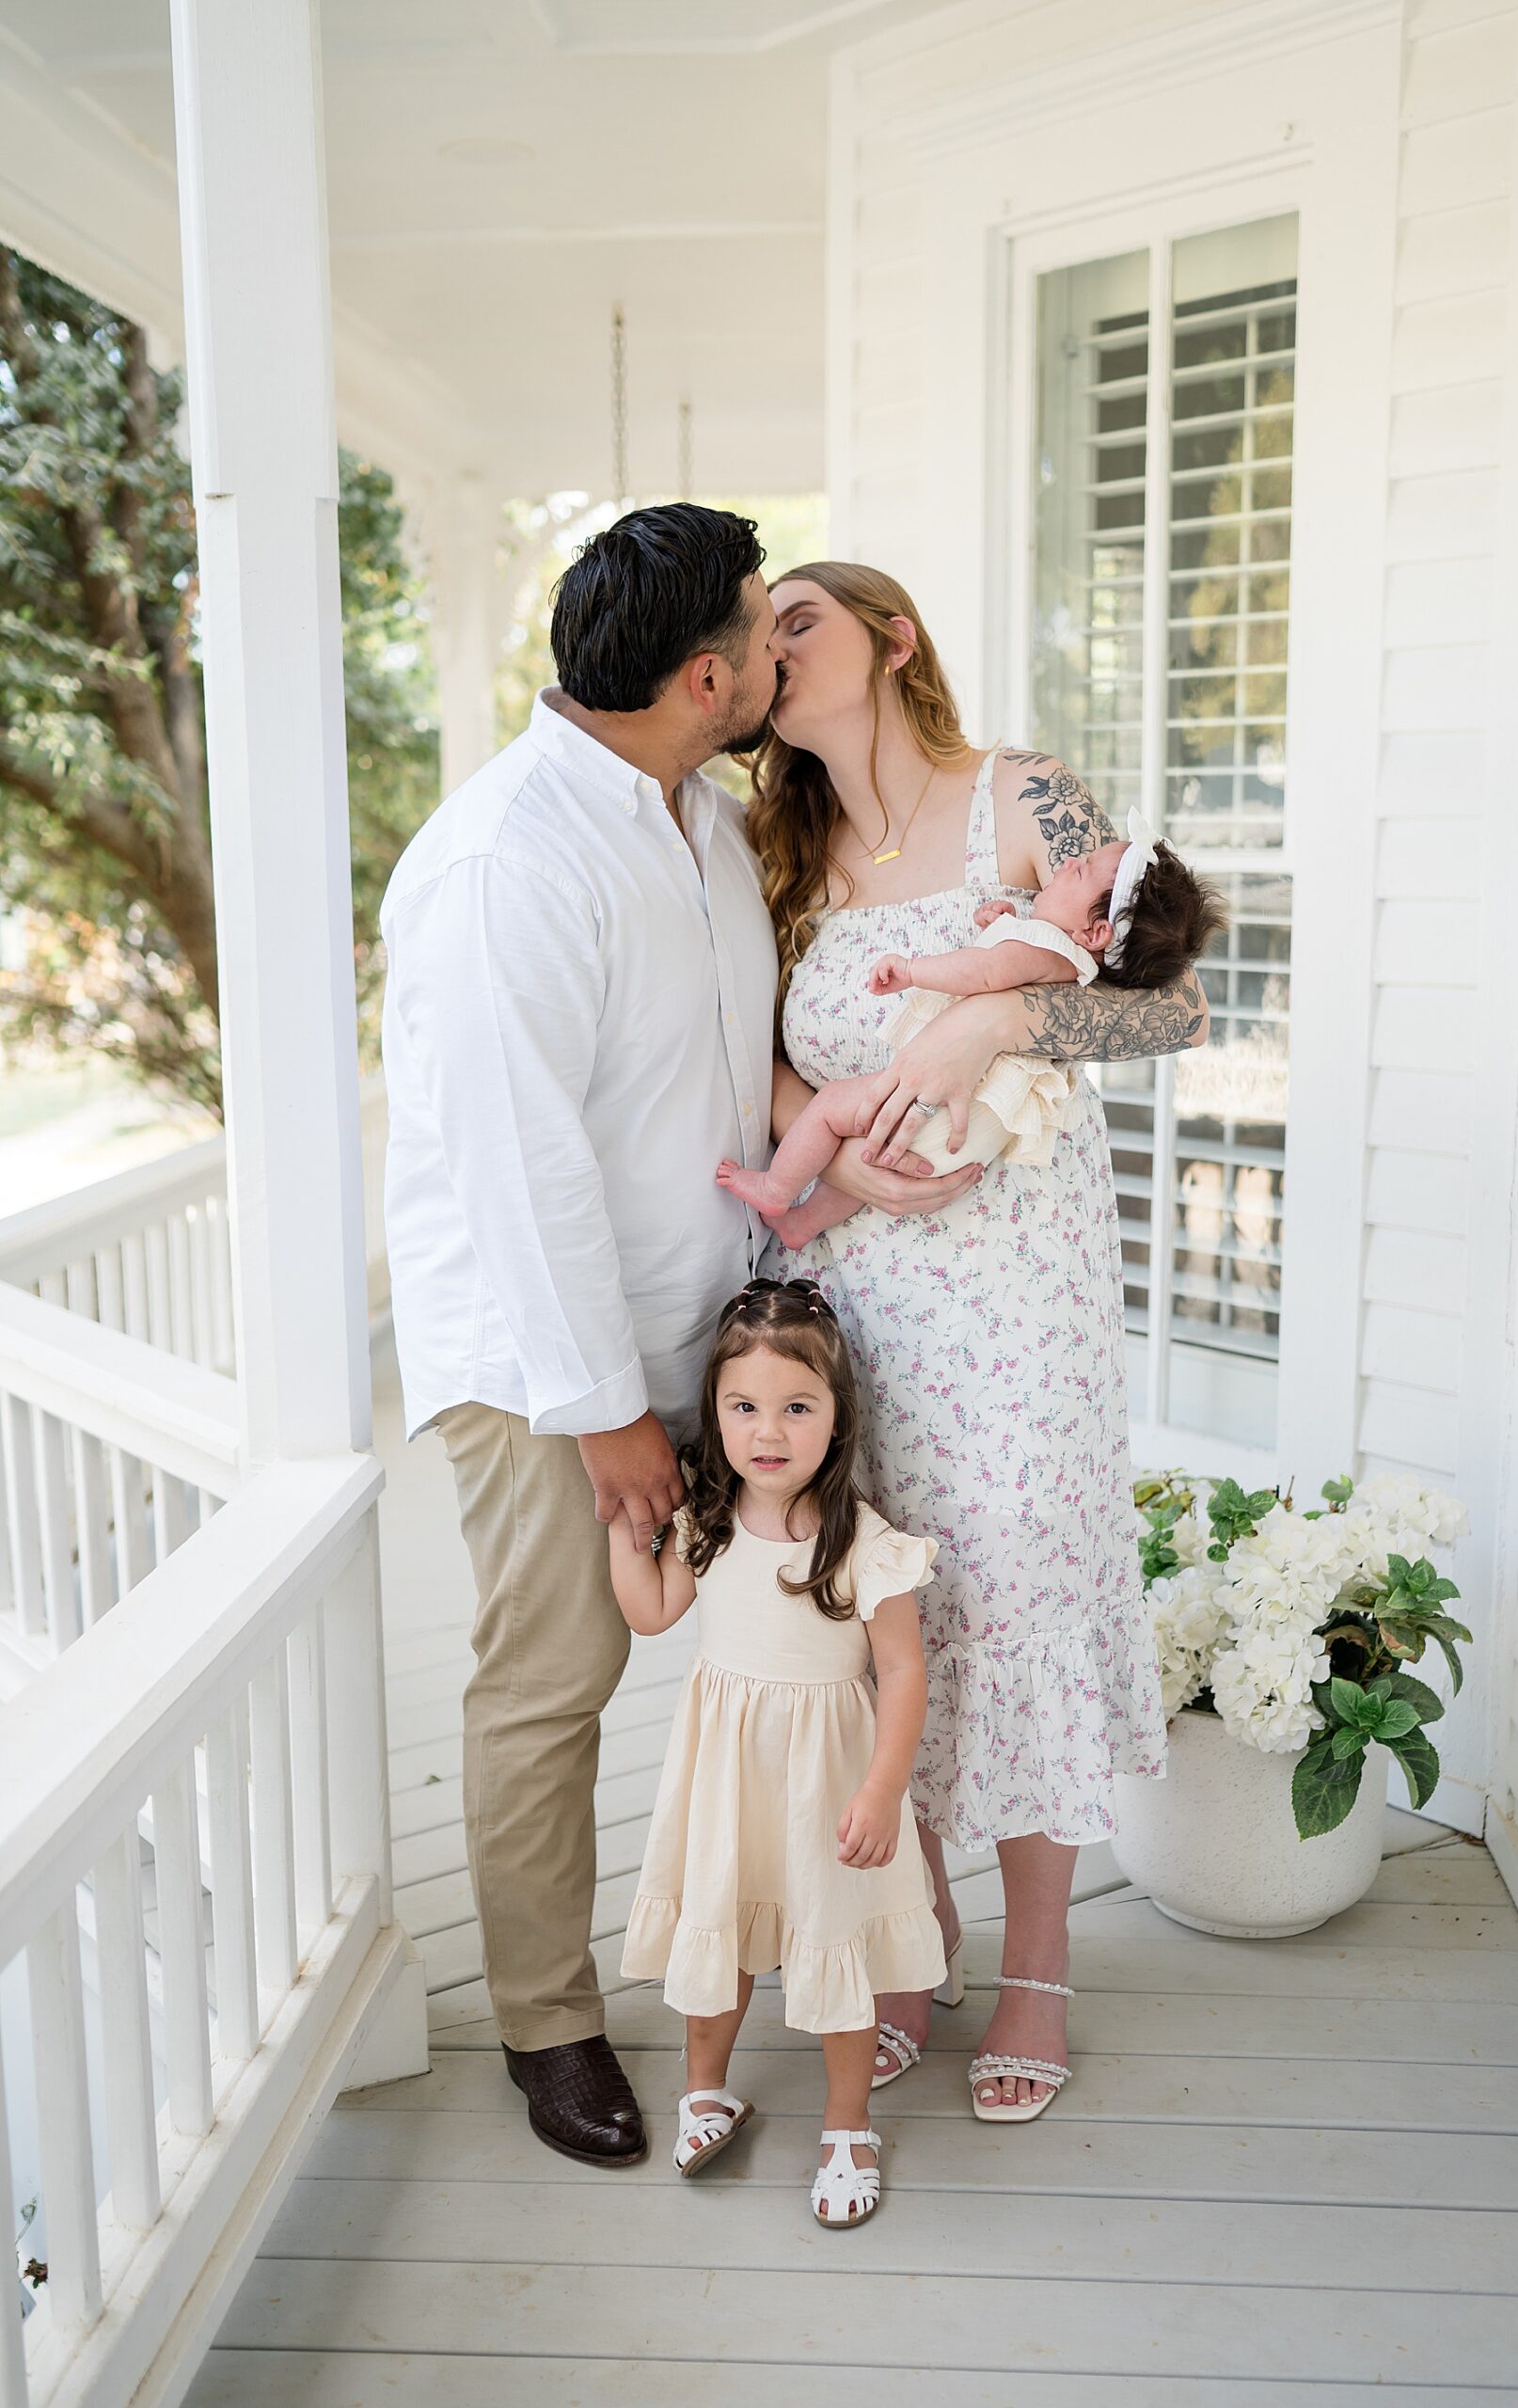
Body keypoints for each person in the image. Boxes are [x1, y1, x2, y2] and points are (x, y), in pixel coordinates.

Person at [380, 504, 866, 2168]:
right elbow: (518, 1176)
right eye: (761, 632)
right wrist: (606, 1422)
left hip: (704, 1319)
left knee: (772, 1644)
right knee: (555, 1679)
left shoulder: (697, 815)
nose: (776, 655)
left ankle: (791, 1942)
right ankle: (548, 2022)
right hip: (541, 1367)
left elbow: (722, 1058)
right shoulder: (506, 859)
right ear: (704, 675)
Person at [747, 561, 1212, 2124]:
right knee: (886, 1591)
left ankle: (1033, 1964)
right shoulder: (771, 853)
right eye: (752, 629)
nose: (767, 643)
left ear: (888, 639)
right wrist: (835, 1153)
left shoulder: (1027, 795)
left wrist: (997, 1020)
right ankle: (906, 1930)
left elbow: (1169, 1011)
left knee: (1008, 1575)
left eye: (793, 615)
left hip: (1022, 1279)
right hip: (853, 1286)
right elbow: (741, 1066)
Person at [612, 1277, 945, 2226]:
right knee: (718, 1935)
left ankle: (848, 2124)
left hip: (830, 1783)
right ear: (715, 1412)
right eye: (744, 1406)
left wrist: (883, 1790)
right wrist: (621, 1531)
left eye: (797, 1407)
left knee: (834, 1950)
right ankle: (706, 2088)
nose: (768, 1430)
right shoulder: (708, 1525)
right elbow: (649, 1611)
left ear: (837, 1421)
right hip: (726, 1781)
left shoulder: (861, 1540)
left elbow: (905, 1674)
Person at [719, 816, 1225, 1247]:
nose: (1070, 861)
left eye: (1084, 871)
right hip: (964, 1128)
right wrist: (1000, 919)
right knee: (876, 1161)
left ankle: (776, 1188)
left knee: (830, 1109)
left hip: (947, 1102)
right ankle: (803, 1223)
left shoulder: (1041, 951)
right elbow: (1004, 955)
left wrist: (913, 969)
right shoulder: (1058, 953)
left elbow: (981, 973)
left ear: (1095, 934)